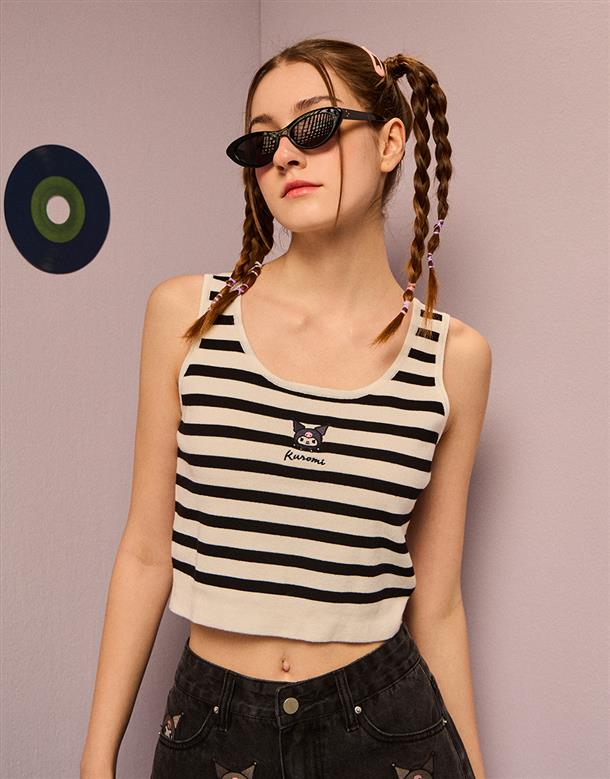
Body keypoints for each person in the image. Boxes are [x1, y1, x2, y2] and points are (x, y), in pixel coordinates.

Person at [80, 37, 491, 779]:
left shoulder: (452, 358)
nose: (285, 155)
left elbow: (437, 606)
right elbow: (145, 553)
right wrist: (95, 758)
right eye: (262, 141)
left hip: (386, 723)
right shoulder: (187, 317)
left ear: (390, 141)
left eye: (314, 125)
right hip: (214, 724)